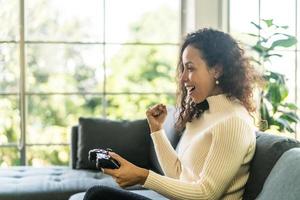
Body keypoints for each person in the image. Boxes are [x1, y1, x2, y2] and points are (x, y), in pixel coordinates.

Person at [83, 28, 263, 200]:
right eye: (183, 69)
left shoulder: (234, 122)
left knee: (97, 196)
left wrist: (143, 177)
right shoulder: (203, 114)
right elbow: (177, 174)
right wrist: (157, 131)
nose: (182, 78)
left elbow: (207, 194)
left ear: (217, 69)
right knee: (98, 195)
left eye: (190, 68)